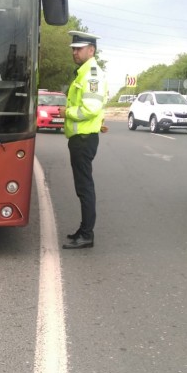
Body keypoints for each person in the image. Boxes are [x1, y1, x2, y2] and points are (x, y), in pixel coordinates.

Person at [60, 31, 108, 250]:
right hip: (82, 137)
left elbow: (90, 108)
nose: (74, 52)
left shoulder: (92, 75)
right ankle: (83, 230)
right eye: (73, 48)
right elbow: (96, 108)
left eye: (78, 48)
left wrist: (66, 112)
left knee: (84, 188)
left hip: (83, 139)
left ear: (91, 50)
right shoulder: (85, 73)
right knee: (83, 187)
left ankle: (87, 235)